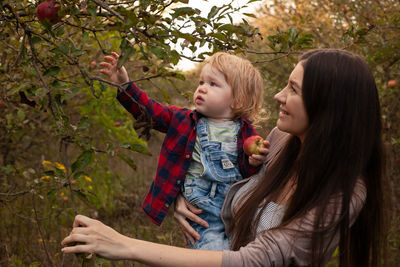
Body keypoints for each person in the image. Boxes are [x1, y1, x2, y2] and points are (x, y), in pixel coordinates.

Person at [61, 49, 384, 266]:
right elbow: (231, 181)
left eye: (293, 89)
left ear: (329, 107)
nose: (278, 96)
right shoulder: (282, 141)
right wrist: (183, 195)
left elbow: (254, 260)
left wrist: (124, 245)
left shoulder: (344, 193)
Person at [98, 51, 269, 250]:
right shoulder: (183, 120)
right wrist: (125, 85)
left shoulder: (247, 132)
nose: (202, 89)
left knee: (248, 251)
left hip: (236, 206)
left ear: (237, 100)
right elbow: (150, 111)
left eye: (213, 84)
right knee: (212, 254)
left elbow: (246, 174)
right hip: (202, 210)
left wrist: (253, 162)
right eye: (201, 82)